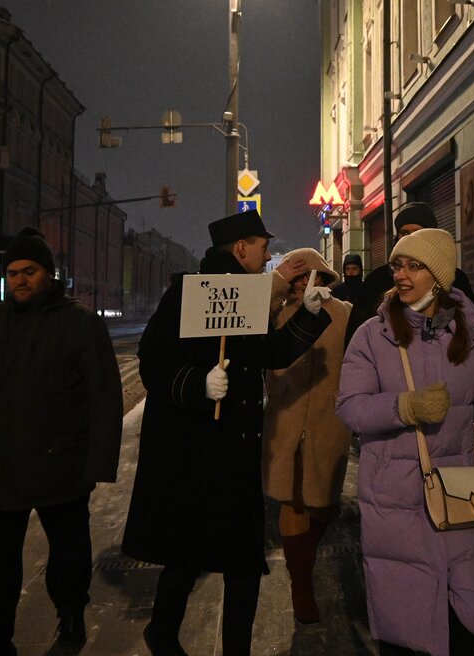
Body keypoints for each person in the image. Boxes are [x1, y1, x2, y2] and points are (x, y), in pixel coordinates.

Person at [121, 210, 333, 656]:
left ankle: (237, 648)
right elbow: (153, 362)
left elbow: (270, 353)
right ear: (240, 248)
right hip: (190, 450)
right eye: (262, 245)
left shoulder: (249, 295)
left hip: (235, 451)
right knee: (184, 555)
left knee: (242, 561)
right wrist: (197, 385)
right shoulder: (185, 293)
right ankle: (162, 633)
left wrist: (308, 317)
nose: (268, 253)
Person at [0, 227, 123, 655]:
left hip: (59, 463)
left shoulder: (79, 323)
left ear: (48, 274)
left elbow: (104, 398)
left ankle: (71, 615)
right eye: (14, 273)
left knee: (69, 554)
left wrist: (98, 464)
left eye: (30, 271)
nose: (20, 279)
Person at [337, 228, 474, 656]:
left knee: (462, 627)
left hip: (459, 500)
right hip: (394, 502)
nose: (400, 274)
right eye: (397, 265)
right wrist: (405, 407)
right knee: (407, 630)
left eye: (413, 266)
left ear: (438, 275)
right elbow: (350, 406)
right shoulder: (372, 335)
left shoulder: (471, 331)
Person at [262, 248, 353, 624]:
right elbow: (246, 314)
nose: (303, 282)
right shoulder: (277, 313)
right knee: (292, 500)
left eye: (308, 274)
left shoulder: (344, 313)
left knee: (324, 504)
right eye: (296, 276)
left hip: (328, 423)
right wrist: (278, 282)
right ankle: (301, 583)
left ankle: (305, 552)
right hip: (284, 422)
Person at [344, 202, 474, 347]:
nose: (410, 238)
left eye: (418, 232)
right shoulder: (377, 280)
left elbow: (470, 323)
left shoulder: (454, 278)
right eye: (405, 233)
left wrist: (429, 325)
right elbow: (357, 334)